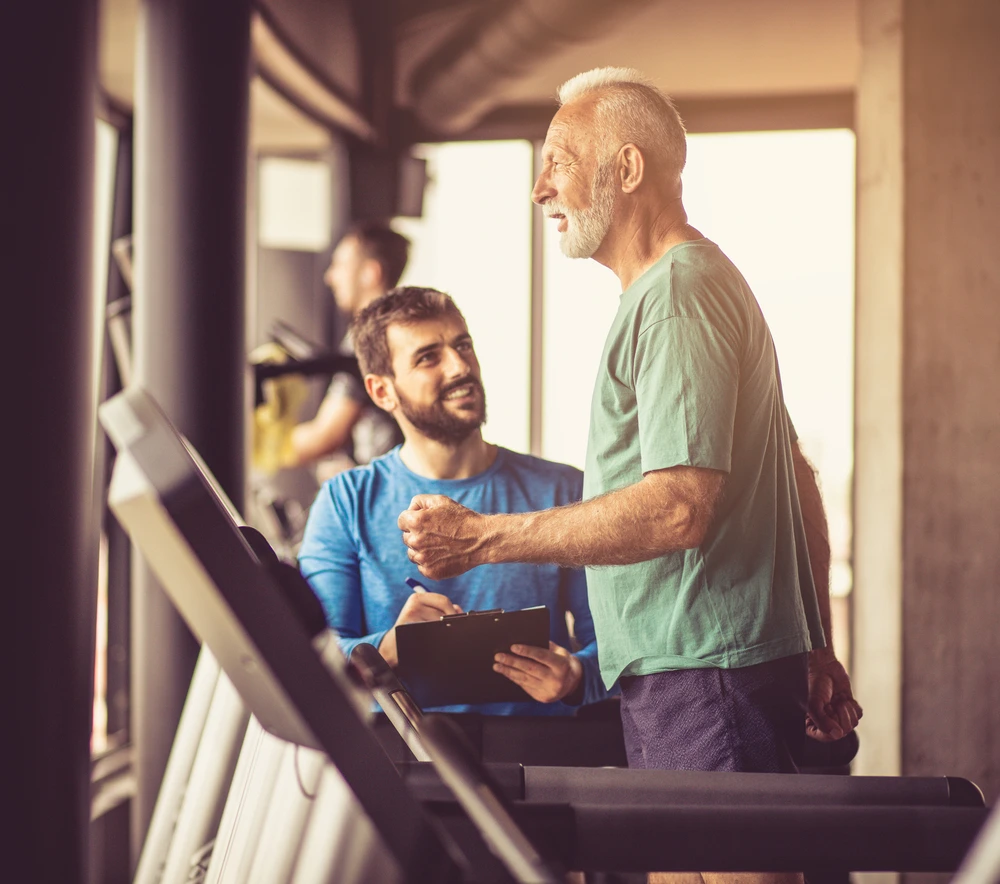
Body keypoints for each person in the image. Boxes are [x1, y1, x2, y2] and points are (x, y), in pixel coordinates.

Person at [398, 66, 862, 879]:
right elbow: (797, 477)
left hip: (705, 675)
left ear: (628, 168)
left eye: (560, 160)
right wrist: (813, 639)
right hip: (708, 670)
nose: (541, 187)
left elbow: (680, 510)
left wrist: (482, 540)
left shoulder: (678, 294)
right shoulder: (685, 290)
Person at [297, 286, 609, 715]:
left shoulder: (564, 491)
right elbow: (318, 661)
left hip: (542, 757)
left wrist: (575, 676)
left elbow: (617, 647)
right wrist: (390, 647)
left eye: (463, 346)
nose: (461, 366)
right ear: (382, 391)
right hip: (402, 761)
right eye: (428, 357)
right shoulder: (345, 502)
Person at [285, 221, 410, 472]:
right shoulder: (396, 326)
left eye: (340, 265)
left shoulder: (369, 337)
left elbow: (325, 437)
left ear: (370, 273)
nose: (329, 277)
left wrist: (256, 444)